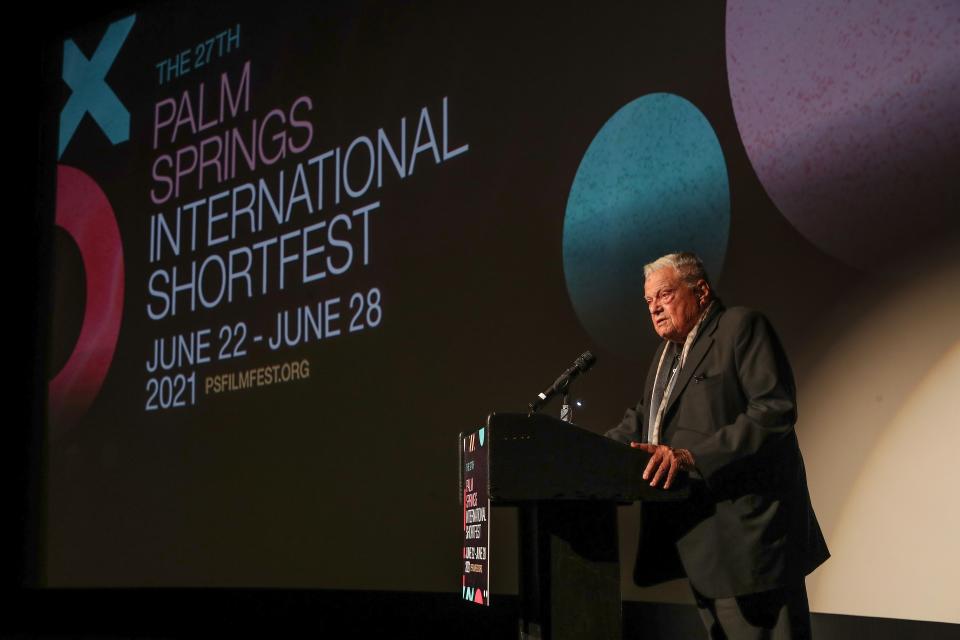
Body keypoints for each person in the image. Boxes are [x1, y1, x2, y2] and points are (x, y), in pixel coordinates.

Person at [605, 252, 828, 639]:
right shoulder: (666, 357)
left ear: (701, 290)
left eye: (665, 295)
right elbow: (642, 421)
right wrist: (582, 451)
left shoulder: (739, 327)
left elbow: (774, 410)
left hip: (752, 543)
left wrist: (693, 456)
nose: (655, 308)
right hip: (704, 545)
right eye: (649, 301)